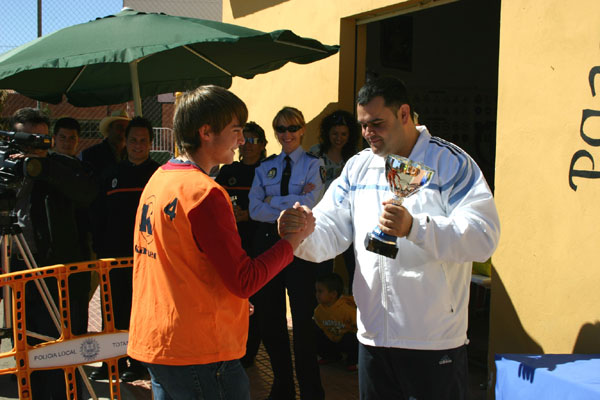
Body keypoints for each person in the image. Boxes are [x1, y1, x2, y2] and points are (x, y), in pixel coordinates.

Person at [279, 76, 501, 400]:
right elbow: (331, 229)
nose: (368, 133)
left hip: (432, 341)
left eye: (377, 123)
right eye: (363, 125)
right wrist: (301, 234)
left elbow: (484, 236)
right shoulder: (357, 167)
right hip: (372, 339)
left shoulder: (449, 163)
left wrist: (416, 227)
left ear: (404, 114)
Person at [127, 85, 315, 400]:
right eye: (236, 130)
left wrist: (233, 305)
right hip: (199, 352)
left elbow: (184, 265)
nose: (241, 140)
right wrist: (291, 242)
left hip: (159, 342)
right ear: (206, 132)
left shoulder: (160, 178)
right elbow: (244, 280)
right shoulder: (205, 193)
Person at [11, 108, 97, 399]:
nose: (33, 148)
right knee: (25, 340)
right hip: (17, 266)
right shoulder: (7, 166)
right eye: (27, 141)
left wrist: (43, 166)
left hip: (56, 269)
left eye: (40, 140)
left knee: (62, 338)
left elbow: (86, 193)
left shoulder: (61, 166)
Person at [248, 106, 325, 400]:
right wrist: (290, 201)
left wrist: (273, 199)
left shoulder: (313, 164)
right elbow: (254, 209)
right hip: (267, 243)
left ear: (303, 129)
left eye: (292, 128)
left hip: (300, 245)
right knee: (271, 319)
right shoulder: (265, 166)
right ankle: (282, 385)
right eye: (280, 129)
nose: (287, 134)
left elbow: (311, 202)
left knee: (304, 320)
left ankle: (311, 391)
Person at [89, 116, 159, 382]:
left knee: (142, 310)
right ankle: (113, 361)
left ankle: (139, 362)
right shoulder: (111, 175)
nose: (138, 146)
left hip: (148, 259)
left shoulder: (158, 175)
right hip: (113, 257)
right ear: (125, 142)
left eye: (143, 141)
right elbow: (98, 215)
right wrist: (99, 248)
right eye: (133, 140)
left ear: (150, 143)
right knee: (112, 309)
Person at [215, 121, 267, 368]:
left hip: (259, 245)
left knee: (255, 301)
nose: (248, 146)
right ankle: (230, 347)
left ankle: (249, 351)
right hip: (232, 245)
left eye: (254, 140)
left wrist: (249, 215)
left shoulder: (269, 171)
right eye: (244, 140)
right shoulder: (227, 172)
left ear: (263, 145)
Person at [309, 109, 361, 290]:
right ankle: (322, 310)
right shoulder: (315, 153)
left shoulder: (356, 156)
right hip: (321, 218)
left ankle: (352, 305)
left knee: (353, 265)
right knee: (321, 265)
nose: (339, 138)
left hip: (348, 219)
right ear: (327, 133)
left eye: (344, 134)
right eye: (334, 133)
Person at [313, 272, 358, 371]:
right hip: (333, 339)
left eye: (320, 291)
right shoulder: (318, 311)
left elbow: (359, 326)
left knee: (350, 339)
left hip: (346, 340)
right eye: (316, 291)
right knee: (315, 334)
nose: (317, 294)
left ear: (333, 294)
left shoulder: (346, 310)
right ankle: (331, 356)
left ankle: (354, 361)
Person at [81, 109, 130, 178]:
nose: (123, 131)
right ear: (109, 129)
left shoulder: (133, 154)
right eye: (119, 127)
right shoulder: (92, 154)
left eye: (127, 128)